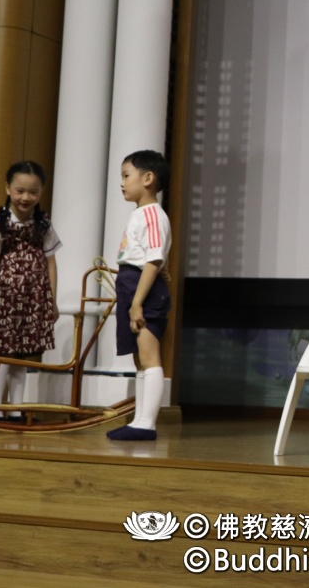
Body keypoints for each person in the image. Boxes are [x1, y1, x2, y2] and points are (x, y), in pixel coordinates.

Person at [0, 161, 61, 422]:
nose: (26, 197)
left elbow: (51, 263)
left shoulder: (43, 224)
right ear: (8, 188)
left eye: (33, 192)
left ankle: (15, 408)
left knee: (23, 353)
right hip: (6, 298)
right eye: (19, 191)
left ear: (41, 191)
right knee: (4, 353)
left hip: (34, 297)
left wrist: (52, 301)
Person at [106, 150, 173, 441]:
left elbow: (153, 259)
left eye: (126, 175)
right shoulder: (140, 214)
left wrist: (137, 303)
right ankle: (139, 421)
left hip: (142, 291)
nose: (122, 182)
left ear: (148, 179)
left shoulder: (153, 215)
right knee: (139, 360)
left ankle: (147, 423)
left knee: (149, 357)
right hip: (132, 285)